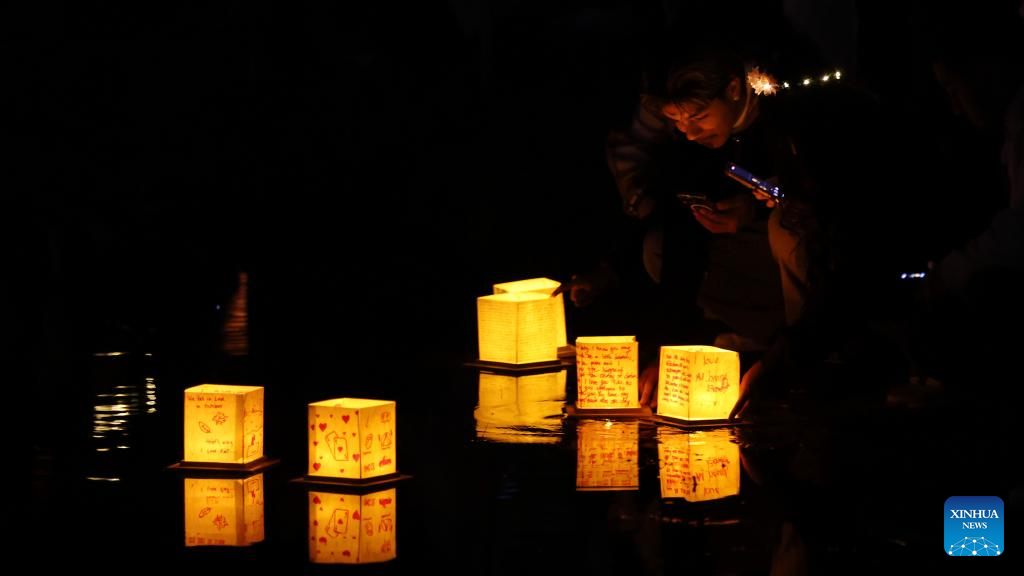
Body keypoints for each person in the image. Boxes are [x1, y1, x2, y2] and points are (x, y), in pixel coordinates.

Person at [578, 41, 896, 417]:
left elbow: (834, 212)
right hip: (764, 261)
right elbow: (680, 228)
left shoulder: (792, 109)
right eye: (679, 124)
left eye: (697, 118)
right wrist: (665, 349)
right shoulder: (698, 144)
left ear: (732, 90)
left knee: (785, 226)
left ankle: (806, 356)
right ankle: (766, 340)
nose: (690, 133)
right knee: (660, 246)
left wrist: (765, 206)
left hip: (837, 258)